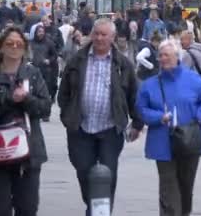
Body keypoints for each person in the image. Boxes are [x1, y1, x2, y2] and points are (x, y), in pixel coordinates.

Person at [57, 18, 143, 216]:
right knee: (84, 172)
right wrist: (67, 115)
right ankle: (93, 205)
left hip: (110, 130)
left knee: (107, 175)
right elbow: (64, 93)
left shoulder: (123, 64)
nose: (99, 38)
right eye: (96, 33)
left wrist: (137, 123)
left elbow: (133, 95)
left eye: (104, 34)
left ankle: (100, 212)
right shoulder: (77, 60)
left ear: (112, 37)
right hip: (81, 128)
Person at [136, 39, 201, 216]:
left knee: (186, 186)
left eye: (167, 55)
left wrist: (200, 115)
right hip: (162, 143)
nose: (163, 59)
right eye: (161, 55)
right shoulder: (150, 85)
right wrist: (159, 117)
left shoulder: (193, 79)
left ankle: (184, 212)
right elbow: (141, 109)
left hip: (190, 140)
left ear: (177, 57)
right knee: (168, 188)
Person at [0, 27, 52, 216]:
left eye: (19, 44)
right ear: (1, 47)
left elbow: (46, 108)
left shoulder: (33, 73)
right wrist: (10, 99)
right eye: (9, 43)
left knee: (27, 207)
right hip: (0, 152)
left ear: (25, 47)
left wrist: (27, 99)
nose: (14, 47)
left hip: (29, 151)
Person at [30, 26, 58, 121]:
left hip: (46, 71)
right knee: (34, 93)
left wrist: (49, 61)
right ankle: (35, 112)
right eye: (39, 31)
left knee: (46, 93)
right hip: (33, 70)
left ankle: (46, 114)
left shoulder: (49, 43)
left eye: (42, 31)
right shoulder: (31, 43)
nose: (40, 33)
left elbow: (54, 55)